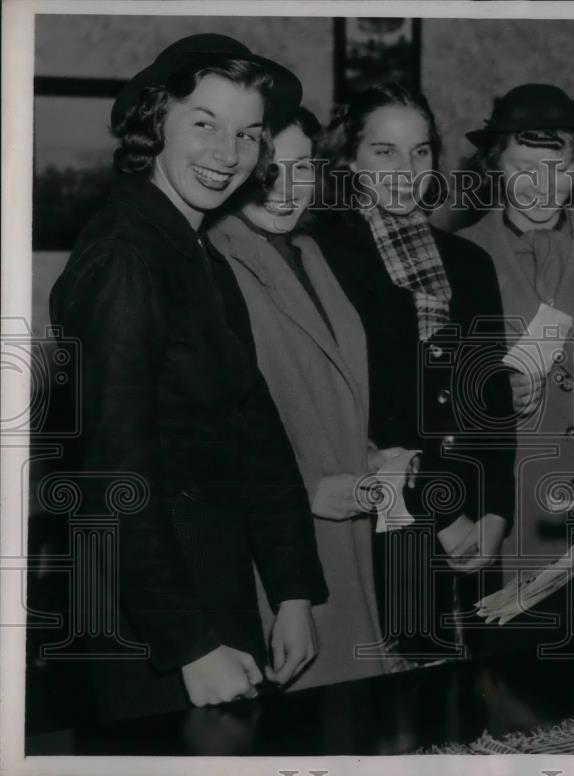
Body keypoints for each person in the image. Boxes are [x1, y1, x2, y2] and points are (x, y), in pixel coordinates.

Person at [48, 34, 327, 722]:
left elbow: (256, 433)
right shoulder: (125, 257)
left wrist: (293, 593)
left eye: (248, 133)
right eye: (204, 123)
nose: (228, 154)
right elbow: (109, 478)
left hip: (207, 588)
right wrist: (190, 644)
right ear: (156, 122)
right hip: (146, 623)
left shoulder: (196, 250)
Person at [310, 82, 515, 660]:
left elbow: (491, 399)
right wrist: (441, 513)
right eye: (385, 152)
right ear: (349, 161)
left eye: (420, 151)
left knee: (477, 715)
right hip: (384, 522)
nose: (407, 169)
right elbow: (349, 414)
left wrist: (496, 510)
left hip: (474, 523)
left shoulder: (469, 263)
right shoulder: (319, 256)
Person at [208, 107, 404, 687]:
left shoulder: (311, 253)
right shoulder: (212, 260)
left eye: (302, 169)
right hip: (275, 540)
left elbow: (325, 386)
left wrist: (367, 452)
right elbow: (208, 429)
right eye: (270, 171)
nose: (286, 190)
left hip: (348, 526)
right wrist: (307, 486)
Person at [458, 84, 574, 568]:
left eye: (558, 169)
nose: (542, 186)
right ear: (494, 166)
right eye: (523, 169)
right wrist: (492, 393)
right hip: (511, 510)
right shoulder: (460, 257)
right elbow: (445, 399)